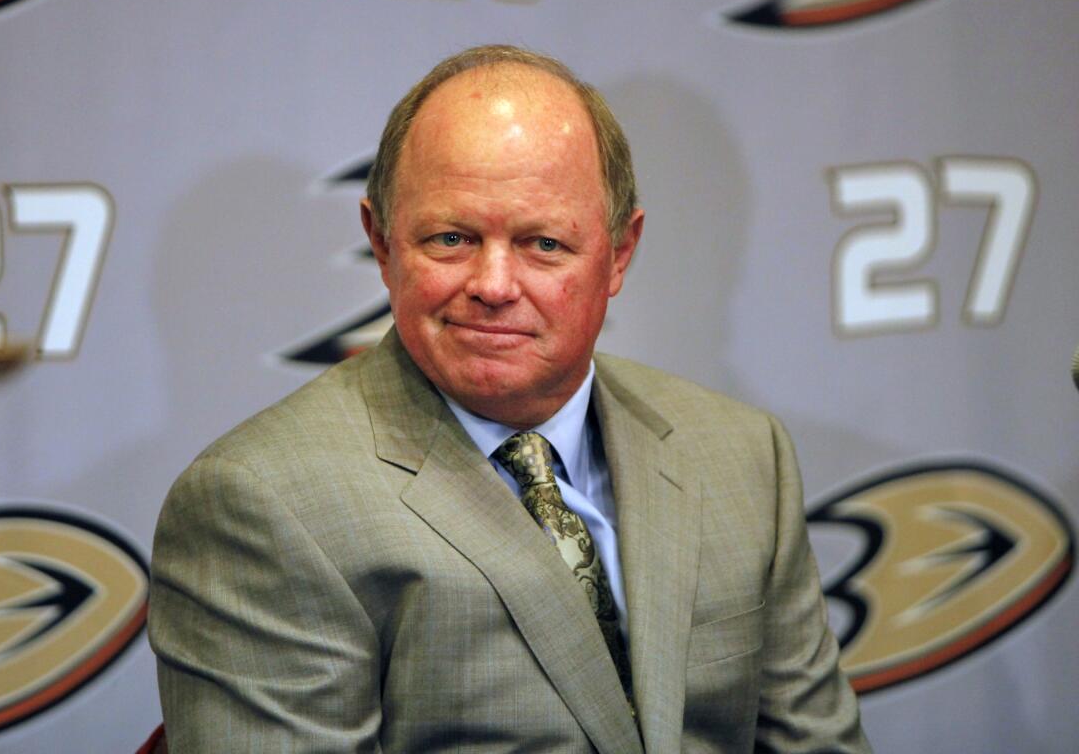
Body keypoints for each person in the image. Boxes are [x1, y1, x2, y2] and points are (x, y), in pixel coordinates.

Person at [148, 44, 871, 753]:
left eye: (544, 244)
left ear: (620, 253)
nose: (494, 285)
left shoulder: (742, 455)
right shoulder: (260, 503)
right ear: (382, 241)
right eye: (452, 238)